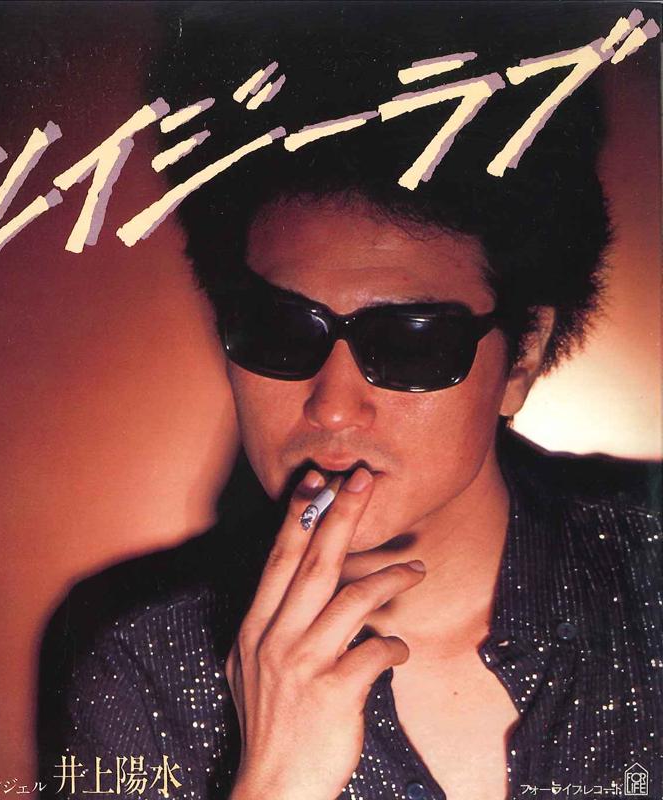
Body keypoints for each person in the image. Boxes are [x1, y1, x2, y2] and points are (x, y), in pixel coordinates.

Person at [36, 5, 662, 799]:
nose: (332, 409)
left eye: (408, 342)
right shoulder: (142, 669)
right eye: (280, 330)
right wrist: (274, 781)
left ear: (525, 352)